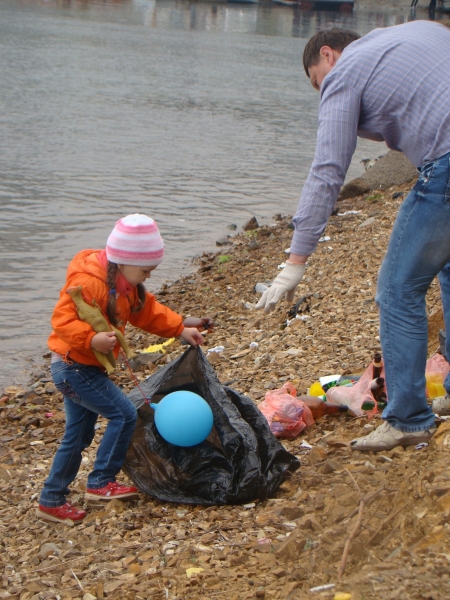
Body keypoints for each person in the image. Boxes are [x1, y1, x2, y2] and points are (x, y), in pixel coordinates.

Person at [256, 21, 450, 451]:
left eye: (315, 82)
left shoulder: (342, 74)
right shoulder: (411, 32)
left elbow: (327, 171)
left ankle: (409, 419)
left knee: (398, 292)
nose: (320, 92)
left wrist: (295, 261)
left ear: (328, 55)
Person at [38, 214, 209, 523]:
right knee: (124, 414)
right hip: (72, 368)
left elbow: (149, 313)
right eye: (144, 270)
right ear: (124, 260)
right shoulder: (90, 282)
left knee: (78, 434)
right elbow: (62, 321)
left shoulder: (126, 285)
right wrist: (91, 340)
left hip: (85, 368)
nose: (146, 277)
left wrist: (180, 328)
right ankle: (101, 482)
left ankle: (51, 499)